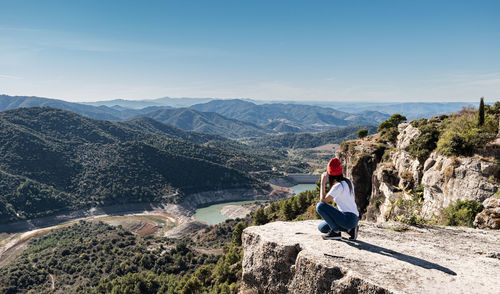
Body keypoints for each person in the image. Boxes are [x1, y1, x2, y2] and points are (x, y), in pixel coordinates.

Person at [316, 158, 359, 240]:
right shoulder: (348, 182)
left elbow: (322, 201)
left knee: (320, 206)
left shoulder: (338, 186)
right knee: (322, 228)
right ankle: (351, 230)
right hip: (354, 219)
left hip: (347, 219)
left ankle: (336, 232)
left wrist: (322, 182)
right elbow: (353, 199)